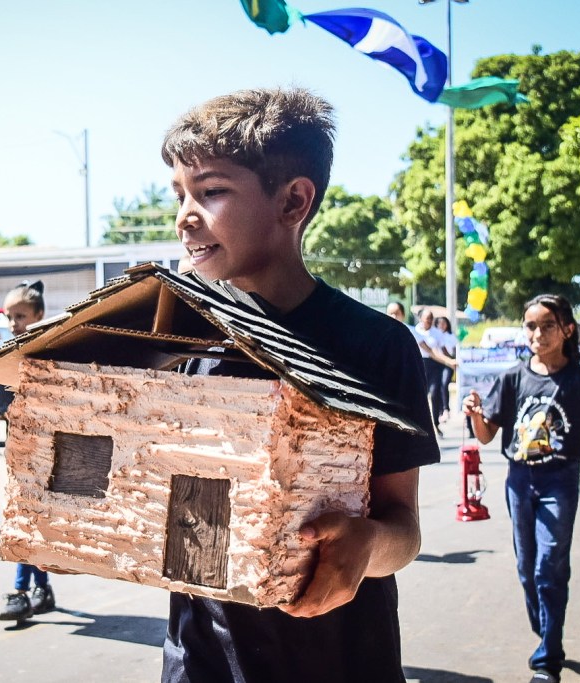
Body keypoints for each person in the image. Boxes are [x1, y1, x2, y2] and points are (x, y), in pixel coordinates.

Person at [160, 86, 440, 681]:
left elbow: (405, 531)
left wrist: (366, 544)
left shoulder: (377, 346)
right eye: (179, 194)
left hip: (339, 659)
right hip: (200, 661)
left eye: (211, 191)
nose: (185, 215)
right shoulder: (179, 341)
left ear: (293, 201)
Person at [462, 293, 580, 683]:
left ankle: (548, 656)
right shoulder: (513, 378)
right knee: (526, 568)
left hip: (560, 482)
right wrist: (475, 415)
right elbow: (486, 435)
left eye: (547, 325)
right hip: (519, 481)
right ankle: (546, 627)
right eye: (531, 326)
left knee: (550, 566)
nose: (538, 333)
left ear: (567, 329)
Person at [0, 280, 58, 621]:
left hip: (43, 451)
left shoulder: (49, 349)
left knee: (27, 517)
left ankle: (21, 592)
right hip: (19, 451)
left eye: (20, 316)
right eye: (9, 316)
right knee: (29, 517)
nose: (13, 323)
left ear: (39, 314)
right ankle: (41, 589)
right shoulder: (10, 352)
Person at [413, 308, 447, 437]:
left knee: (434, 393)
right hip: (419, 365)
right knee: (420, 396)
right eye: (427, 318)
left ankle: (435, 423)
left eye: (431, 318)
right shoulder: (415, 331)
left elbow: (442, 349)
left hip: (434, 365)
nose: (429, 320)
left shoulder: (437, 333)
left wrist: (451, 360)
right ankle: (419, 424)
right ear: (421, 318)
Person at [435, 316, 458, 422]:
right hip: (437, 363)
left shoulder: (451, 336)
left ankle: (446, 409)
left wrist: (451, 359)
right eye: (439, 323)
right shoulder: (435, 335)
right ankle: (440, 410)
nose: (442, 325)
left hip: (448, 364)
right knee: (437, 387)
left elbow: (454, 350)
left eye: (444, 323)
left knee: (444, 384)